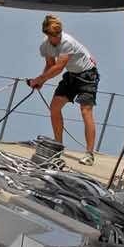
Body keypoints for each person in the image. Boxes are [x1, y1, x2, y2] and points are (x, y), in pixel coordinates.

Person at [28, 14, 100, 165]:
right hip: (72, 76)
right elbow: (50, 65)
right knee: (54, 107)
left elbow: (58, 68)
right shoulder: (45, 46)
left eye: (58, 33)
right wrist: (41, 81)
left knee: (86, 111)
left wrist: (38, 80)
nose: (57, 37)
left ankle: (89, 154)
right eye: (53, 35)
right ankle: (58, 147)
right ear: (47, 34)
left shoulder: (67, 42)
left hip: (88, 75)